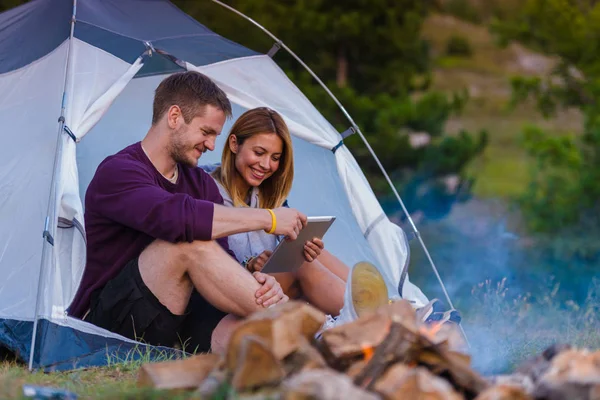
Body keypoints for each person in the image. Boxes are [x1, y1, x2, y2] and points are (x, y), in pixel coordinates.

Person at [68, 71, 309, 353]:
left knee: (245, 331)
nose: (211, 145)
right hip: (109, 323)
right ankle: (303, 332)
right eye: (206, 132)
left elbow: (220, 257)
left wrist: (254, 280)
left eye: (215, 136)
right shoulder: (119, 172)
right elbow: (178, 218)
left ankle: (308, 350)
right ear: (174, 117)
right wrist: (269, 219)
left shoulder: (200, 183)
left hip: (176, 319)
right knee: (188, 243)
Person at [209, 107, 352, 317]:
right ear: (234, 144)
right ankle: (370, 315)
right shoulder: (207, 188)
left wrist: (305, 248)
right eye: (259, 153)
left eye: (275, 157)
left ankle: (382, 303)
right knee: (300, 265)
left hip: (270, 285)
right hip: (229, 292)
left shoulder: (268, 196)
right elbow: (206, 254)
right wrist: (248, 264)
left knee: (306, 251)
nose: (266, 165)